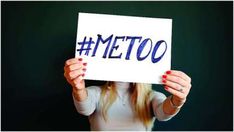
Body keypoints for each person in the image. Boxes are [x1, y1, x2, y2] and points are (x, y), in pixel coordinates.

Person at [64, 57, 192, 131]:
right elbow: (84, 108)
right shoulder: (96, 93)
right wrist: (78, 88)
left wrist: (178, 101)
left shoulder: (151, 97)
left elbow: (163, 114)